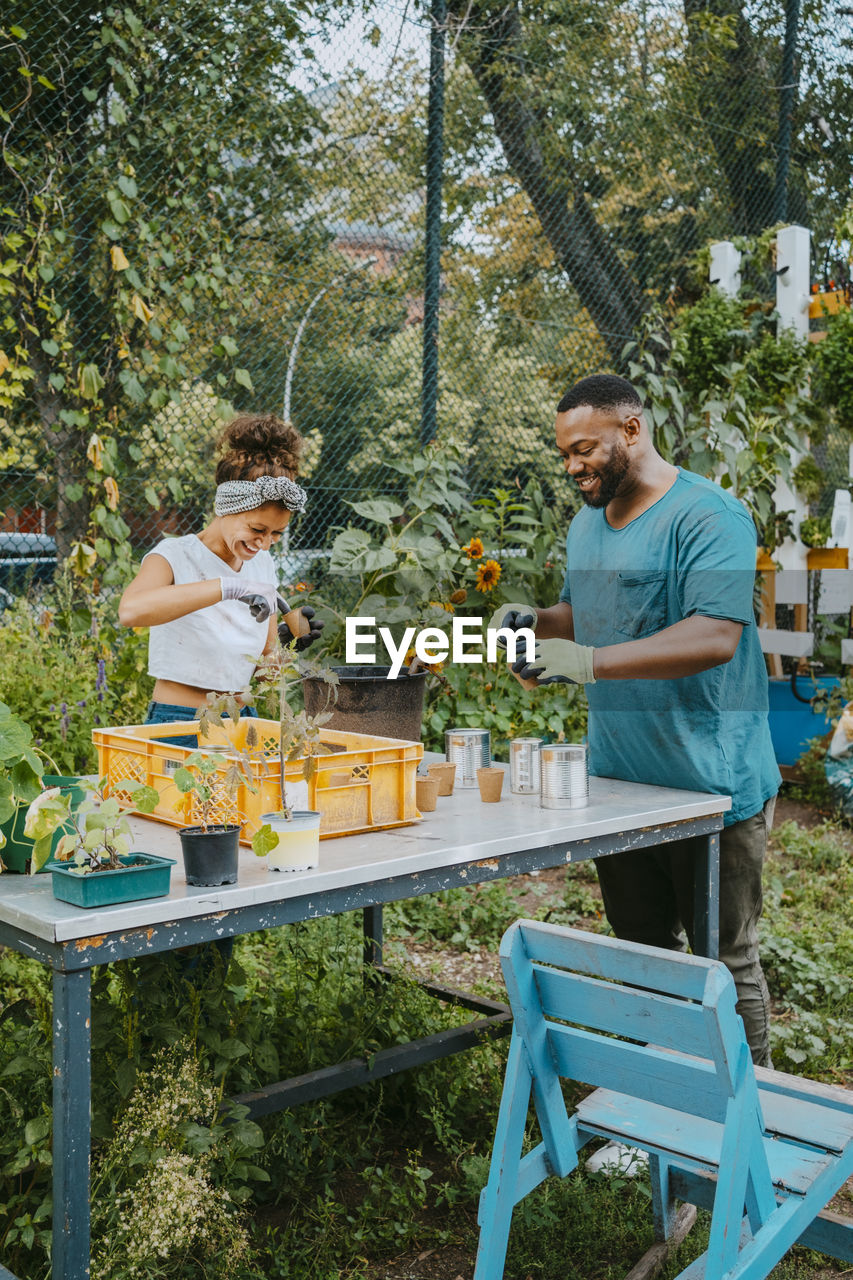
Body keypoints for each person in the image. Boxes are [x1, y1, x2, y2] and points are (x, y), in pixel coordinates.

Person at [491, 374, 781, 1082]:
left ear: (631, 429)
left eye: (584, 448)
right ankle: (659, 1105)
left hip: (710, 785)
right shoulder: (588, 521)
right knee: (642, 947)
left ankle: (750, 1117)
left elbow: (713, 635)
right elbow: (576, 615)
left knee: (723, 957)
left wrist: (585, 662)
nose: (572, 466)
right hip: (620, 782)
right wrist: (527, 624)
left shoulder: (709, 515)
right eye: (564, 453)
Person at [119, 413, 323, 745]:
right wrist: (227, 588)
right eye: (257, 529)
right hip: (181, 724)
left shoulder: (262, 566)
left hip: (245, 725)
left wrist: (285, 647)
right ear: (226, 507)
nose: (265, 542)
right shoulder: (174, 556)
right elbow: (130, 611)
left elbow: (264, 668)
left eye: (276, 534)